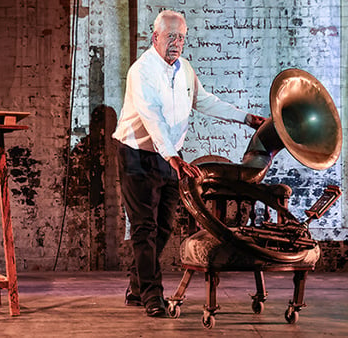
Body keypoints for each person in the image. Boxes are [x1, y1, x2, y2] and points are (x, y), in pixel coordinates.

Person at [112, 10, 265, 317]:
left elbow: (204, 100)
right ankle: (151, 297)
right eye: (171, 36)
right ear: (155, 37)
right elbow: (151, 116)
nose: (177, 43)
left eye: (181, 37)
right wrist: (172, 156)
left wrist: (246, 118)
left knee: (164, 226)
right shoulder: (142, 71)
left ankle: (137, 286)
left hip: (170, 157)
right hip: (137, 155)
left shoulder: (184, 69)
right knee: (144, 228)